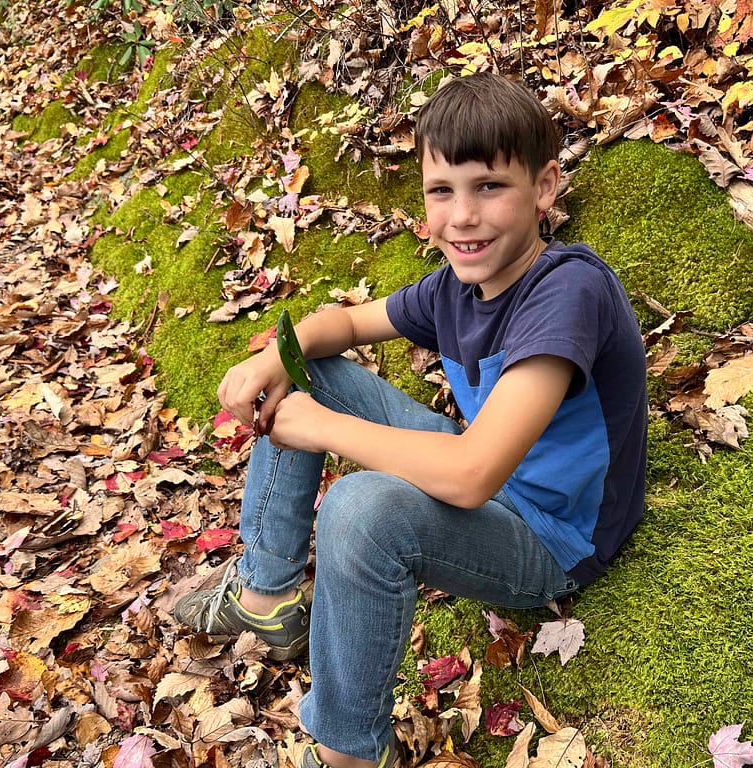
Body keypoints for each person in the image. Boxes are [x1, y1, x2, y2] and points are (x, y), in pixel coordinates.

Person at [174, 71, 648, 768]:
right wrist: (279, 358)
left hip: (554, 540)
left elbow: (470, 475)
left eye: (489, 186)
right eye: (441, 191)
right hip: (492, 480)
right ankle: (265, 597)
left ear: (544, 188)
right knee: (316, 373)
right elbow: (345, 324)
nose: (461, 217)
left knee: (365, 511)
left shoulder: (566, 291)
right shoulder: (458, 284)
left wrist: (319, 428)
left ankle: (348, 755)